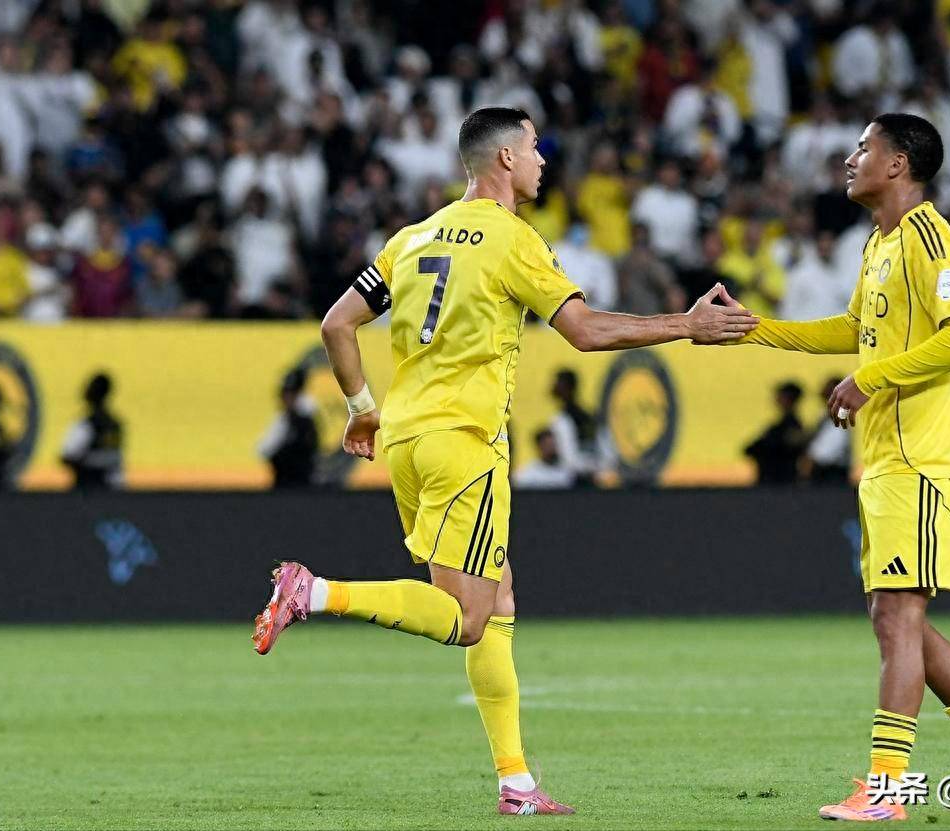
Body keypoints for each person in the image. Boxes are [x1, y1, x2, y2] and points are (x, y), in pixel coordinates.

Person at [250, 106, 757, 815]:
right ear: (506, 160)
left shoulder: (411, 237)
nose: (543, 159)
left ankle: (516, 783)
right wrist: (687, 324)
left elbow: (337, 323)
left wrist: (362, 407)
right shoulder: (512, 238)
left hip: (405, 439)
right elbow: (584, 330)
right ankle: (315, 592)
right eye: (535, 147)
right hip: (466, 441)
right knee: (467, 617)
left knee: (499, 600)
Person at [719, 113, 950, 819]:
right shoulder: (878, 242)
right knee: (897, 619)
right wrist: (756, 329)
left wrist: (872, 378)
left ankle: (887, 788)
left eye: (864, 147)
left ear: (897, 164)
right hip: (888, 461)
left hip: (924, 461)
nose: (850, 157)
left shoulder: (929, 237)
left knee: (897, 617)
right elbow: (853, 329)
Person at [60, 373, 124, 489]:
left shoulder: (86, 426)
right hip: (107, 488)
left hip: (88, 491)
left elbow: (67, 457)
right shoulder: (114, 426)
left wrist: (87, 461)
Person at [257, 368, 319, 488]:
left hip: (303, 484)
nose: (286, 399)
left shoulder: (306, 419)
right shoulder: (283, 419)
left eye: (291, 394)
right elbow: (263, 449)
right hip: (284, 483)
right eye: (285, 394)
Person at [742, 380, 806, 485]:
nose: (777, 399)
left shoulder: (789, 426)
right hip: (777, 480)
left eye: (781, 396)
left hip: (777, 481)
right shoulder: (788, 424)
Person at [548, 368, 597, 488]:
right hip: (586, 477)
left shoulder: (564, 419)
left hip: (574, 482)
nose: (554, 387)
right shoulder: (585, 416)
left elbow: (570, 460)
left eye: (559, 383)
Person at [801, 376, 852, 485]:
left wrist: (809, 459)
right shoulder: (824, 417)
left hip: (832, 478)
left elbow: (828, 452)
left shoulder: (840, 419)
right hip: (824, 475)